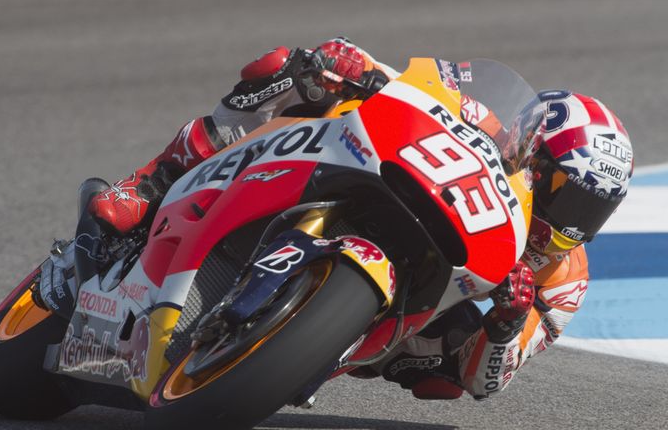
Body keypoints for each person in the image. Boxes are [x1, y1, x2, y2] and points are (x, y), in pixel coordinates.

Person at [88, 38, 634, 400]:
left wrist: (507, 321)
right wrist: (357, 66)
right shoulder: (487, 122)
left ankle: (311, 339)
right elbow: (416, 87)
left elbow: (484, 383)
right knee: (290, 71)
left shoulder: (564, 278)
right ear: (533, 152)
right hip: (392, 181)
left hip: (421, 298)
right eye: (569, 195)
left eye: (594, 209)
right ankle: (152, 180)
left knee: (443, 374)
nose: (573, 221)